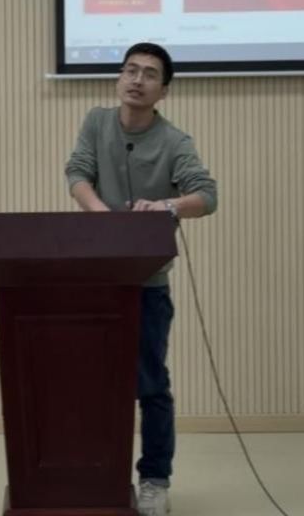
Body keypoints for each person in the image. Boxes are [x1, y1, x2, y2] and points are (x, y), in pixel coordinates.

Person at [64, 42, 218, 516]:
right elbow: (78, 172)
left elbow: (206, 196)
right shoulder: (97, 122)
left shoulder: (175, 141)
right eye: (130, 70)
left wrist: (167, 206)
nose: (137, 80)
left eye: (149, 74)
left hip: (147, 284)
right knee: (93, 382)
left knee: (150, 384)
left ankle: (154, 479)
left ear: (163, 91)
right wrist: (105, 218)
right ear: (119, 78)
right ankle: (94, 471)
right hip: (98, 277)